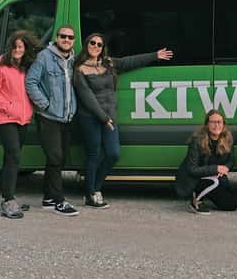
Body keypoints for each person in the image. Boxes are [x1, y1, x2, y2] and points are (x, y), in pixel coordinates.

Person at [73, 33, 173, 208]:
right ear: (87, 44)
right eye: (92, 43)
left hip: (109, 116)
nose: (95, 46)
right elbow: (87, 98)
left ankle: (95, 188)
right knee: (94, 155)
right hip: (90, 117)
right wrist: (104, 119)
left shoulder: (108, 63)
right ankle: (90, 194)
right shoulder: (80, 69)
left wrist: (155, 55)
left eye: (99, 44)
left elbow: (129, 62)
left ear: (103, 48)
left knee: (113, 154)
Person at [24, 25, 80, 216]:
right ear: (57, 38)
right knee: (55, 157)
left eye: (70, 37)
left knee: (58, 159)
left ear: (73, 40)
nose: (66, 40)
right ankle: (59, 201)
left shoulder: (73, 59)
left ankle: (48, 197)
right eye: (63, 36)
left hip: (67, 117)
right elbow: (30, 82)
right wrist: (44, 104)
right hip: (48, 117)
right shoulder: (44, 57)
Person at [0, 30, 37, 219]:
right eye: (14, 47)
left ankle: (9, 197)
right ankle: (8, 200)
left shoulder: (26, 66)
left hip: (23, 119)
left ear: (25, 49)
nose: (17, 50)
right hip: (4, 118)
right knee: (14, 155)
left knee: (11, 157)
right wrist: (9, 107)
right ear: (10, 48)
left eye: (21, 47)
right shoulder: (0, 64)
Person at [175, 110, 237, 214]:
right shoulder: (196, 141)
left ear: (223, 124)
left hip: (214, 177)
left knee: (231, 205)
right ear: (207, 124)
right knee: (215, 187)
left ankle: (207, 193)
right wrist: (216, 168)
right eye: (213, 122)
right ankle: (196, 199)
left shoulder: (227, 139)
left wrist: (226, 167)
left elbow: (231, 161)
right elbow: (192, 169)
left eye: (219, 122)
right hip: (195, 179)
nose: (216, 125)